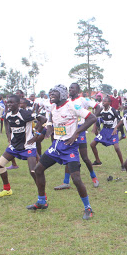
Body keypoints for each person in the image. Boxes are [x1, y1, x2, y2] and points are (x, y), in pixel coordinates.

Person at [30, 85, 97, 220]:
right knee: (38, 170)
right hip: (56, 147)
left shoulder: (72, 106)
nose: (51, 95)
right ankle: (42, 202)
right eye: (50, 93)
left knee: (76, 179)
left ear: (61, 94)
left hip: (70, 147)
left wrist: (77, 133)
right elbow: (49, 119)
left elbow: (92, 118)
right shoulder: (53, 108)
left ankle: (88, 208)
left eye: (54, 93)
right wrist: (49, 128)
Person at [0, 95, 46, 197]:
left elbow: (43, 119)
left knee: (33, 171)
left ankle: (42, 195)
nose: (9, 104)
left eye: (12, 102)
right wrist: (9, 137)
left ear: (18, 104)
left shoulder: (25, 114)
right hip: (14, 146)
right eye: (8, 102)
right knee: (0, 164)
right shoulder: (8, 114)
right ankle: (7, 189)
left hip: (28, 146)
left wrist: (36, 136)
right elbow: (7, 124)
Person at [54, 83, 100, 190]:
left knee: (84, 157)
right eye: (69, 88)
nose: (70, 90)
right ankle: (66, 182)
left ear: (78, 90)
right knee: (67, 156)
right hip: (69, 131)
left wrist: (92, 122)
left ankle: (94, 177)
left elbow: (98, 107)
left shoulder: (83, 100)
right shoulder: (67, 101)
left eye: (73, 88)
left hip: (80, 131)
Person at [90, 95, 125, 170]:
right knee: (92, 144)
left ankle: (123, 165)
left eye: (105, 101)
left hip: (112, 131)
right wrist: (95, 127)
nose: (103, 102)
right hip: (104, 131)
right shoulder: (101, 109)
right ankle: (98, 161)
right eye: (103, 101)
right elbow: (94, 117)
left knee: (117, 148)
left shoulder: (112, 110)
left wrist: (116, 127)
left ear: (109, 103)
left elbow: (121, 120)